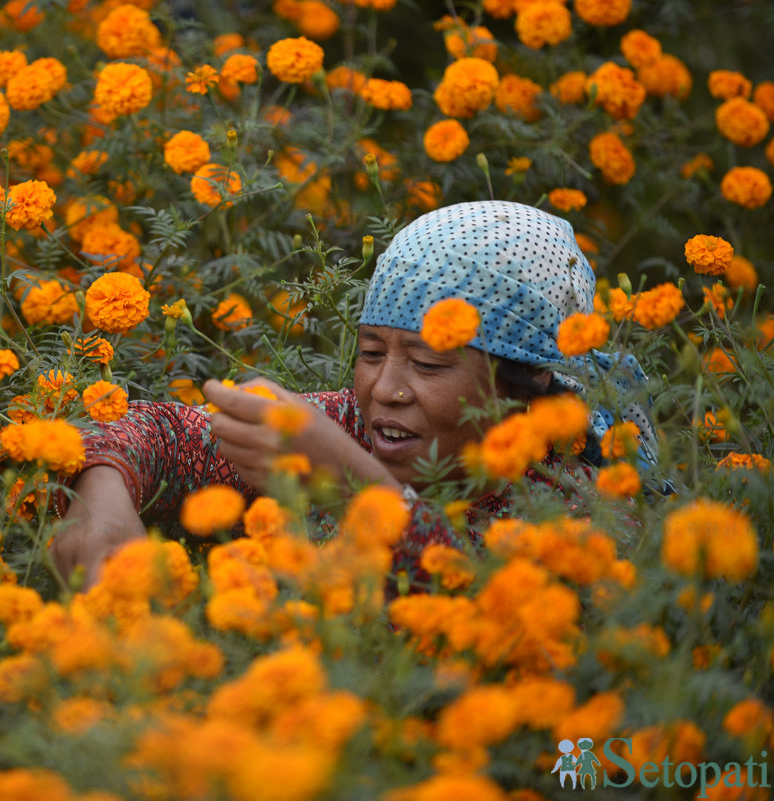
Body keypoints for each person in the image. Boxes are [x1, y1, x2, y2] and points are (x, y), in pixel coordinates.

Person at [52, 201, 656, 586]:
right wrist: (100, 497)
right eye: (370, 353)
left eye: (426, 361)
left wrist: (353, 491)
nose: (385, 389)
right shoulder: (342, 427)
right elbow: (158, 431)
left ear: (527, 382)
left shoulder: (592, 502)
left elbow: (493, 612)